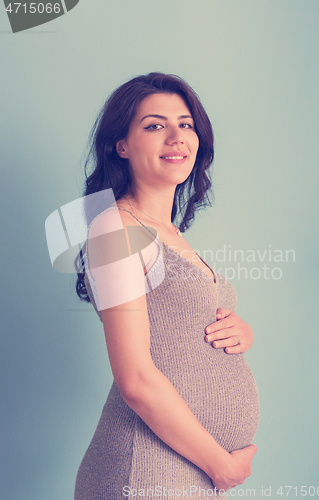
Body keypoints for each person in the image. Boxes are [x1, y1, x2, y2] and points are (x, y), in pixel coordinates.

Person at [74, 73, 259, 499]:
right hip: (145, 470)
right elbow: (136, 379)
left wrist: (242, 333)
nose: (177, 136)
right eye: (155, 125)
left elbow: (178, 324)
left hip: (186, 470)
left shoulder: (169, 233)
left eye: (187, 124)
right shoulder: (114, 227)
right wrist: (222, 464)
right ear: (121, 145)